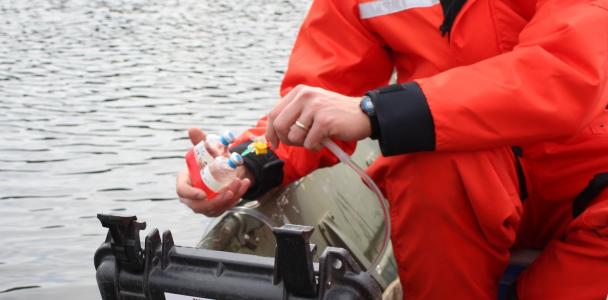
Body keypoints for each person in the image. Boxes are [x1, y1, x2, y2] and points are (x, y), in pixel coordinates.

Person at [176, 0, 608, 298]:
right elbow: (322, 91)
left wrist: (377, 111)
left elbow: (567, 73)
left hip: (591, 189)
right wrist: (248, 165)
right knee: (428, 165)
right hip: (472, 186)